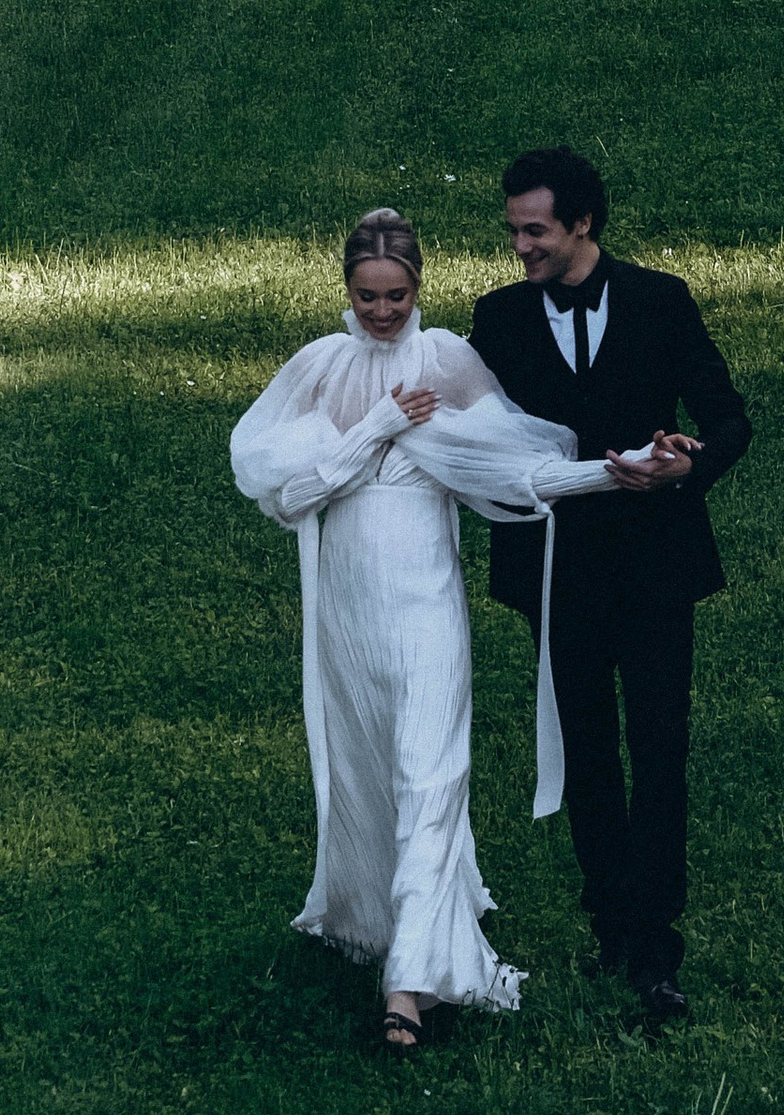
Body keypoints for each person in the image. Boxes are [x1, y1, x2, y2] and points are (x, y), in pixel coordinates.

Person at [230, 207, 616, 1053]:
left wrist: (616, 475)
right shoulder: (321, 369)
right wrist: (376, 427)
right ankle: (381, 927)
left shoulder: (445, 359)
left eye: (397, 295)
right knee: (372, 774)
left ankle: (407, 984)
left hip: (427, 604)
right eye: (368, 296)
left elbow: (516, 463)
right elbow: (288, 495)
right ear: (346, 291)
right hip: (351, 612)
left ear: (418, 288)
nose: (382, 312)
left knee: (431, 774)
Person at [469, 146, 750, 1028]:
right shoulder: (499, 319)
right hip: (557, 575)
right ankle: (613, 928)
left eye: (535, 231)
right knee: (585, 753)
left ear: (582, 223)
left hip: (656, 567)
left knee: (660, 750)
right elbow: (470, 433)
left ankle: (660, 949)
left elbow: (730, 419)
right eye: (514, 231)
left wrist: (685, 466)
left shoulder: (660, 301)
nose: (521, 248)